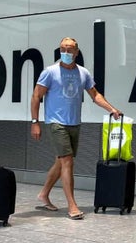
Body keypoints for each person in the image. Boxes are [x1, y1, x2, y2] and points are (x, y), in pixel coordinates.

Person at [31, 37, 121, 220]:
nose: (66, 53)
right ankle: (72, 205)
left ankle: (43, 194)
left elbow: (95, 95)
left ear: (76, 52)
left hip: (74, 123)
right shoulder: (50, 72)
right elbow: (36, 96)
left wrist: (112, 109)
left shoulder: (83, 73)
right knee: (67, 161)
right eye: (62, 49)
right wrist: (35, 122)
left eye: (69, 49)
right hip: (56, 123)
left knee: (61, 161)